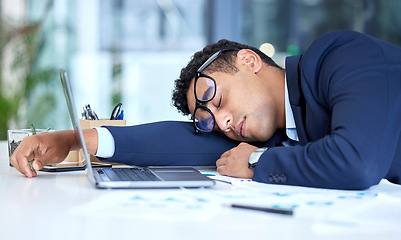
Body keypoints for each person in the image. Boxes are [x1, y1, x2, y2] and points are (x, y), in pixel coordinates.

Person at [10, 30, 401, 190]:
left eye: (217, 98)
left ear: (248, 61)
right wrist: (71, 140)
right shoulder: (279, 130)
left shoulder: (340, 57)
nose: (225, 123)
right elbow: (179, 142)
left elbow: (357, 162)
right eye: (209, 120)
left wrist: (256, 162)